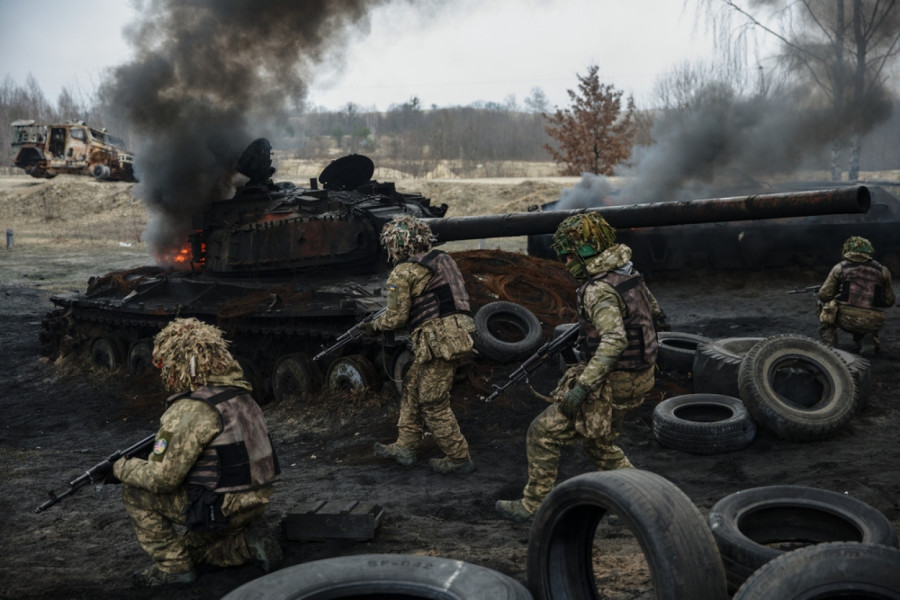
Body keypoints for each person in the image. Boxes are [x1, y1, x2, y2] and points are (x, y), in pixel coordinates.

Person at [496, 213, 663, 522]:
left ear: (587, 251)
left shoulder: (598, 289)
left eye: (570, 253)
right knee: (599, 443)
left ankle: (534, 505)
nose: (567, 259)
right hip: (641, 376)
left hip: (615, 381)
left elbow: (614, 340)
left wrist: (582, 387)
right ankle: (644, 499)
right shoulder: (627, 273)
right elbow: (653, 313)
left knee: (542, 432)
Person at [110, 318, 282, 587]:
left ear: (178, 363)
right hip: (256, 499)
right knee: (193, 549)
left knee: (135, 493)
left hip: (222, 506)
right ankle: (246, 543)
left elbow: (161, 479)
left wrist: (120, 468)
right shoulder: (242, 395)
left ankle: (174, 569)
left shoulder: (191, 409)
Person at [366, 214, 477, 474]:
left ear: (397, 245)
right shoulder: (442, 258)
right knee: (412, 387)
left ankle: (459, 458)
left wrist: (373, 326)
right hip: (454, 335)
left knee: (432, 402)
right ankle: (405, 446)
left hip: (437, 341)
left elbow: (395, 318)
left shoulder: (403, 271)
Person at [817, 235, 895, 353]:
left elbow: (824, 295)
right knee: (868, 310)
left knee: (824, 305)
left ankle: (829, 345)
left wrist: (840, 293)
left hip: (847, 319)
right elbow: (889, 301)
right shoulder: (882, 270)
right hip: (873, 322)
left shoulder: (840, 268)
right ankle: (868, 339)